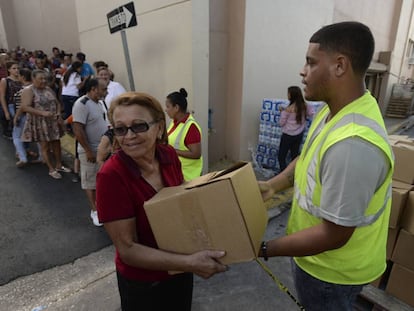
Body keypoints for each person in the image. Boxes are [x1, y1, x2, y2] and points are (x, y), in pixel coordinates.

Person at [258, 21, 394, 311]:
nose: (302, 71)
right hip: (315, 259)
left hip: (332, 273)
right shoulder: (334, 111)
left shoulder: (353, 145)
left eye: (310, 62)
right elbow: (307, 157)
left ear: (340, 66)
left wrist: (265, 248)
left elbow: (335, 234)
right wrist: (273, 184)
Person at [96, 92, 227, 310]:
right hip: (145, 283)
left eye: (138, 126)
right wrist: (189, 263)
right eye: (120, 129)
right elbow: (127, 249)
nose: (129, 136)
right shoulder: (111, 176)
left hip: (180, 269)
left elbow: (182, 196)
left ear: (159, 127)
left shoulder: (167, 155)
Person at [20, 69, 71, 179]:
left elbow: (57, 102)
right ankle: (51, 168)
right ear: (33, 79)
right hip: (39, 122)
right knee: (45, 145)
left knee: (56, 142)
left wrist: (58, 112)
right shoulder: (28, 90)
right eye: (40, 79)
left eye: (45, 79)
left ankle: (59, 164)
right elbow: (25, 107)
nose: (43, 81)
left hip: (52, 121)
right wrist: (42, 113)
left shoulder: (48, 88)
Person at [72, 78, 109, 226]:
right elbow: (78, 129)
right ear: (94, 89)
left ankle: (103, 206)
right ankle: (95, 211)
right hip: (91, 151)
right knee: (90, 182)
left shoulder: (100, 103)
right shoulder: (82, 104)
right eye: (103, 89)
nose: (106, 92)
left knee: (101, 180)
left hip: (103, 149)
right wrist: (88, 151)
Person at [165, 88, 202, 181]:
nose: (166, 110)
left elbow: (196, 154)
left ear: (176, 108)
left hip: (188, 177)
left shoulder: (191, 127)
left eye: (168, 106)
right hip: (177, 173)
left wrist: (172, 151)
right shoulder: (175, 122)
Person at [277, 86, 313, 171]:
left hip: (287, 136)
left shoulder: (288, 110)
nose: (287, 95)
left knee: (281, 156)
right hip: (298, 135)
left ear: (292, 95)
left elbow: (281, 123)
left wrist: (282, 112)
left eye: (288, 93)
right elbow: (312, 114)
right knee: (294, 157)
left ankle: (283, 176)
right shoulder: (304, 106)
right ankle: (294, 175)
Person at [0, 61, 22, 139]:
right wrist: (6, 111)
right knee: (17, 124)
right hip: (11, 105)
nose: (16, 70)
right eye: (14, 68)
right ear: (9, 70)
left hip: (21, 105)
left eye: (18, 68)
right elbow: (2, 96)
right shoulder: (5, 80)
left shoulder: (21, 79)